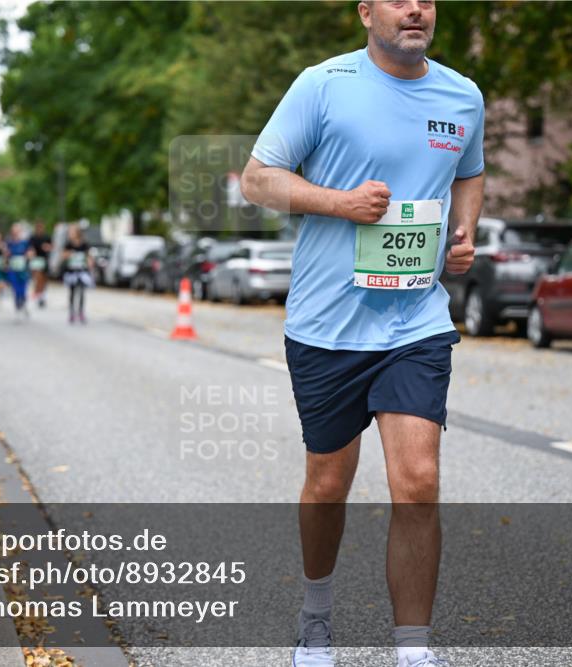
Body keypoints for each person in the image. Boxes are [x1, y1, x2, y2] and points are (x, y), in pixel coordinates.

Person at [240, 2, 483, 666]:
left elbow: (469, 171)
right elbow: (257, 179)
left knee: (418, 478)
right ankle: (316, 618)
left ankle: (413, 648)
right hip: (327, 325)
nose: (416, 9)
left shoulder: (462, 96)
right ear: (365, 12)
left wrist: (465, 232)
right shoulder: (323, 85)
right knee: (327, 482)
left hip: (416, 321)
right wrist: (339, 202)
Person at [61, 224, 93, 324]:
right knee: (72, 292)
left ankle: (81, 312)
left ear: (77, 233)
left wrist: (90, 263)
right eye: (70, 232)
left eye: (72, 232)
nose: (70, 234)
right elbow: (63, 256)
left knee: (82, 292)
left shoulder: (84, 244)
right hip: (71, 272)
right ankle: (71, 312)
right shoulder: (68, 244)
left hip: (82, 271)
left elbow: (89, 256)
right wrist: (69, 254)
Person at [5, 223, 32, 316]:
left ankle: (23, 300)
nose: (15, 232)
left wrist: (28, 255)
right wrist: (6, 261)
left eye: (17, 230)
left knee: (23, 287)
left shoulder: (24, 242)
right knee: (15, 287)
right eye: (14, 230)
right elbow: (6, 255)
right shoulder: (9, 242)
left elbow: (30, 252)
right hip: (13, 269)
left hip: (23, 268)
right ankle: (18, 302)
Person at [28, 221, 53, 308]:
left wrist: (48, 247)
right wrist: (31, 252)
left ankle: (41, 295)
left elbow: (52, 247)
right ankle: (37, 294)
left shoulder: (47, 237)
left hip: (44, 259)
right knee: (38, 277)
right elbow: (29, 248)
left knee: (44, 279)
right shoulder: (32, 237)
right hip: (36, 260)